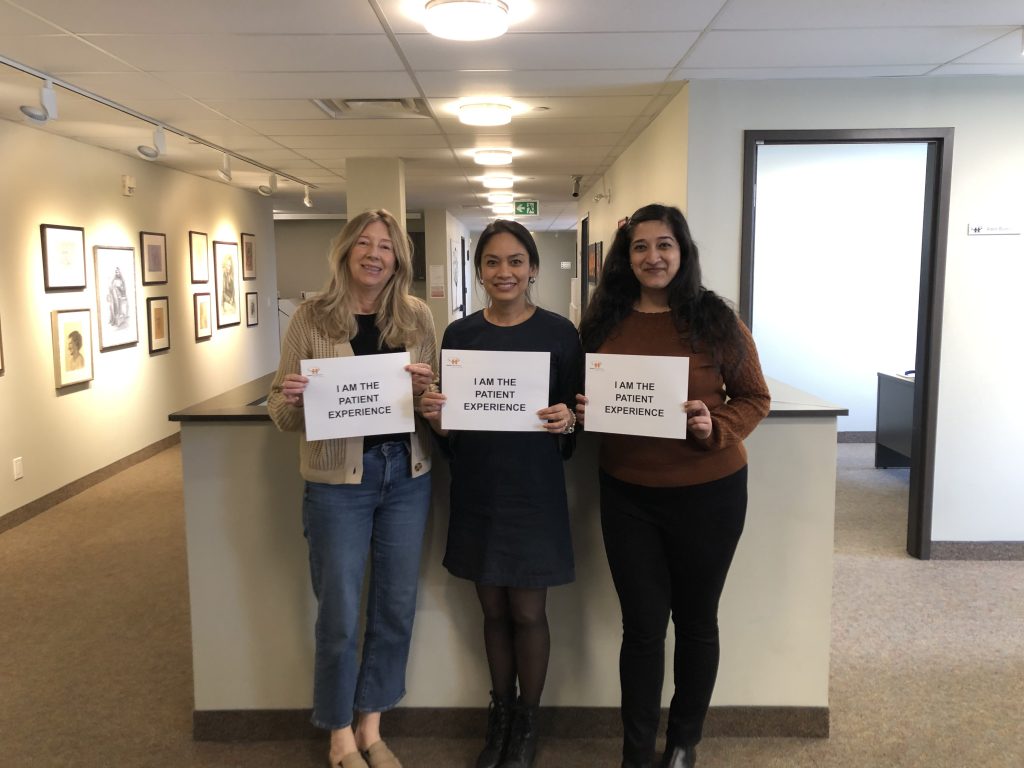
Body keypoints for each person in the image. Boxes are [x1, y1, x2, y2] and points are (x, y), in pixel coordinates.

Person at [575, 204, 770, 768]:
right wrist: (586, 407)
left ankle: (683, 744)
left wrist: (718, 426)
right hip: (628, 493)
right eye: (640, 247)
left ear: (682, 253)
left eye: (664, 245)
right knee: (640, 628)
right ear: (626, 256)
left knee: (696, 620)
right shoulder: (603, 320)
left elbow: (754, 397)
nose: (652, 257)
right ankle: (636, 752)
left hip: (709, 492)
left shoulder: (716, 321)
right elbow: (583, 393)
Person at [267, 209, 438, 768]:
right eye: (363, 243)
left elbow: (434, 407)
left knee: (395, 607)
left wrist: (430, 391)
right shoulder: (311, 318)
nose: (374, 254)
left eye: (385, 246)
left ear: (399, 259)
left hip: (405, 476)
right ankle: (338, 732)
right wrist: (291, 399)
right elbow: (280, 411)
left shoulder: (416, 317)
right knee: (339, 613)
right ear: (344, 252)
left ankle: (371, 726)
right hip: (338, 485)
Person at [420, 220, 582, 768]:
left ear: (533, 268)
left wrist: (566, 422)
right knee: (491, 608)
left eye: (516, 261)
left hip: (534, 490)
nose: (504, 272)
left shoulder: (562, 334)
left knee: (528, 611)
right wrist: (438, 422)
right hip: (480, 487)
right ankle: (501, 716)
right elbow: (453, 429)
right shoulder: (460, 336)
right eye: (492, 262)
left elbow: (576, 420)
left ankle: (527, 725)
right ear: (479, 271)